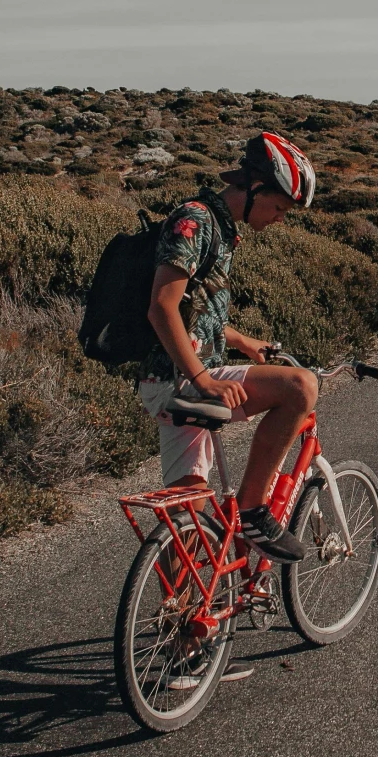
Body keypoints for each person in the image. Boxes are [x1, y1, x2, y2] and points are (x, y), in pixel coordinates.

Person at [136, 130, 318, 563]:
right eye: (279, 207)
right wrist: (204, 379)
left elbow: (192, 311)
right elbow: (161, 307)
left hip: (166, 382)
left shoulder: (217, 226)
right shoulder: (195, 221)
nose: (279, 219)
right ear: (254, 187)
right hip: (185, 378)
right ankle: (254, 510)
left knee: (189, 518)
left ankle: (182, 620)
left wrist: (240, 340)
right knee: (301, 388)